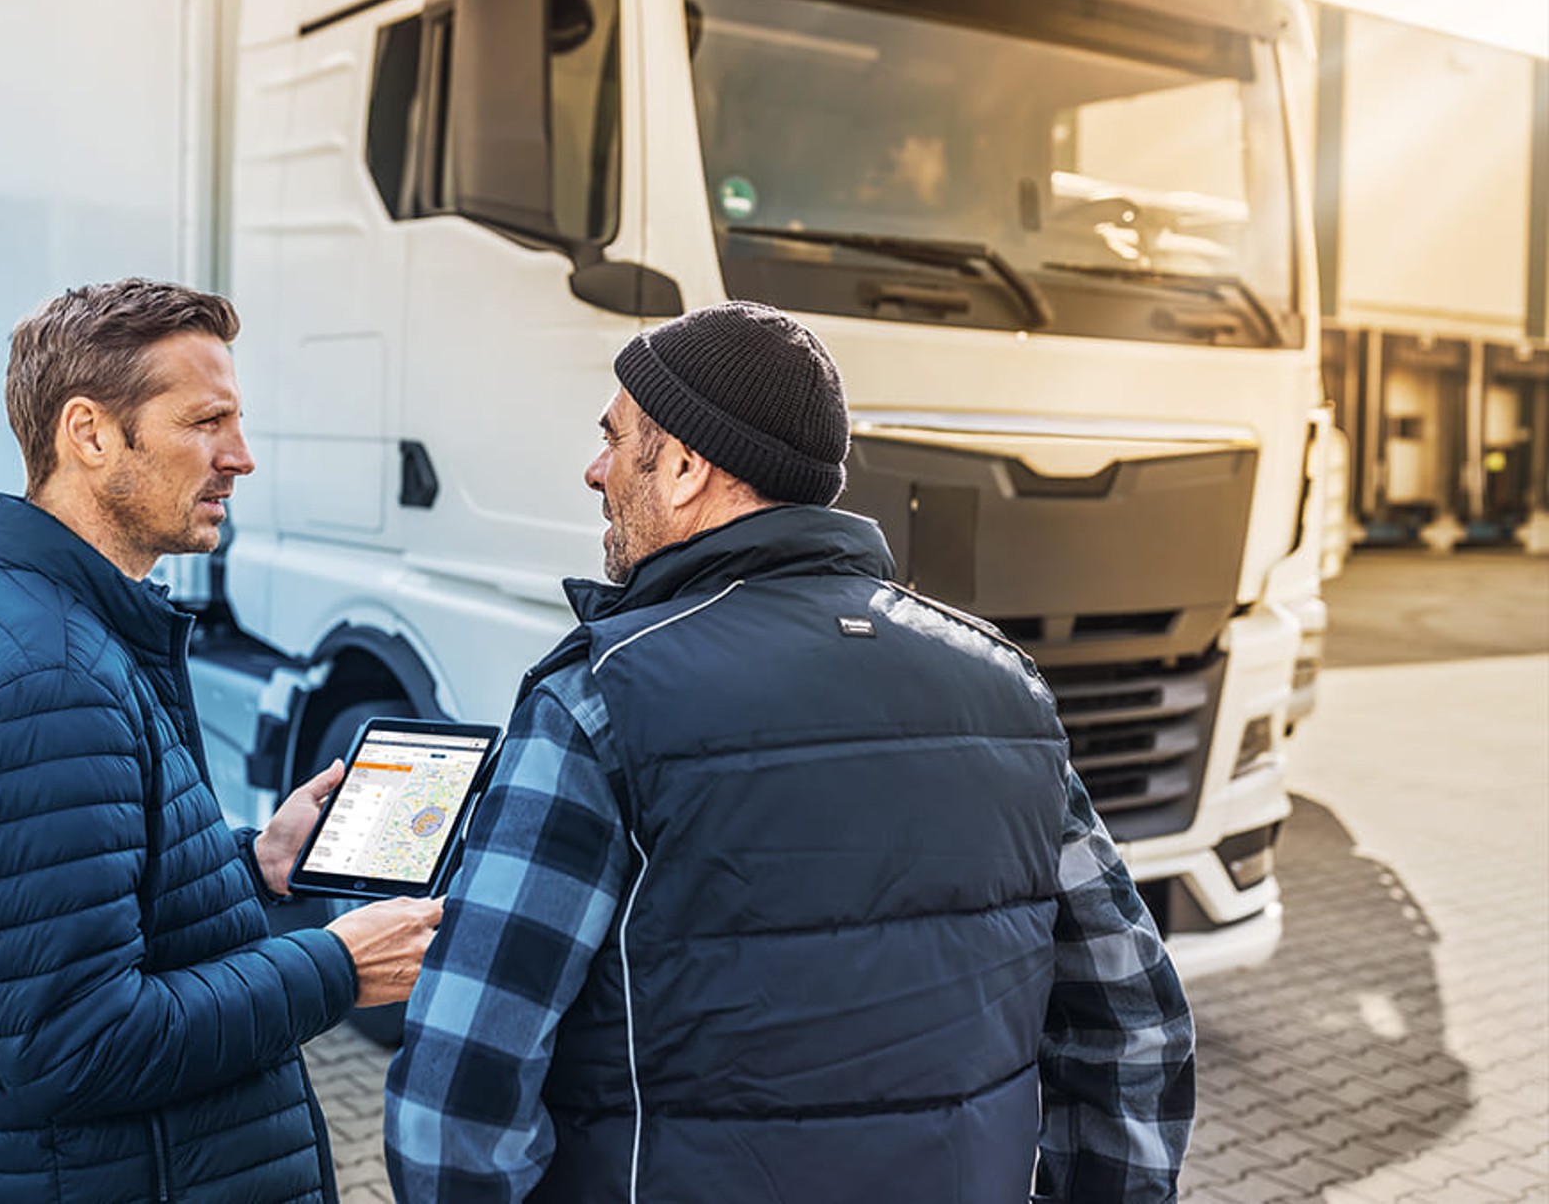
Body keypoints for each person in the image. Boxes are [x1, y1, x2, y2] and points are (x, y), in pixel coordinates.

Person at [385, 301, 1195, 1203]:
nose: (595, 469)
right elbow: (1137, 1024)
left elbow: (457, 1097)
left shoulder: (600, 697)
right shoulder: (1006, 688)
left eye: (615, 438)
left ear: (688, 466)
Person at [0, 278, 441, 1203]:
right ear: (90, 433)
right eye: (206, 422)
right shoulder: (47, 679)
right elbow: (76, 1039)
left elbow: (84, 894)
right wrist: (336, 966)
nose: (242, 457)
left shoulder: (46, 622)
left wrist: (253, 863)